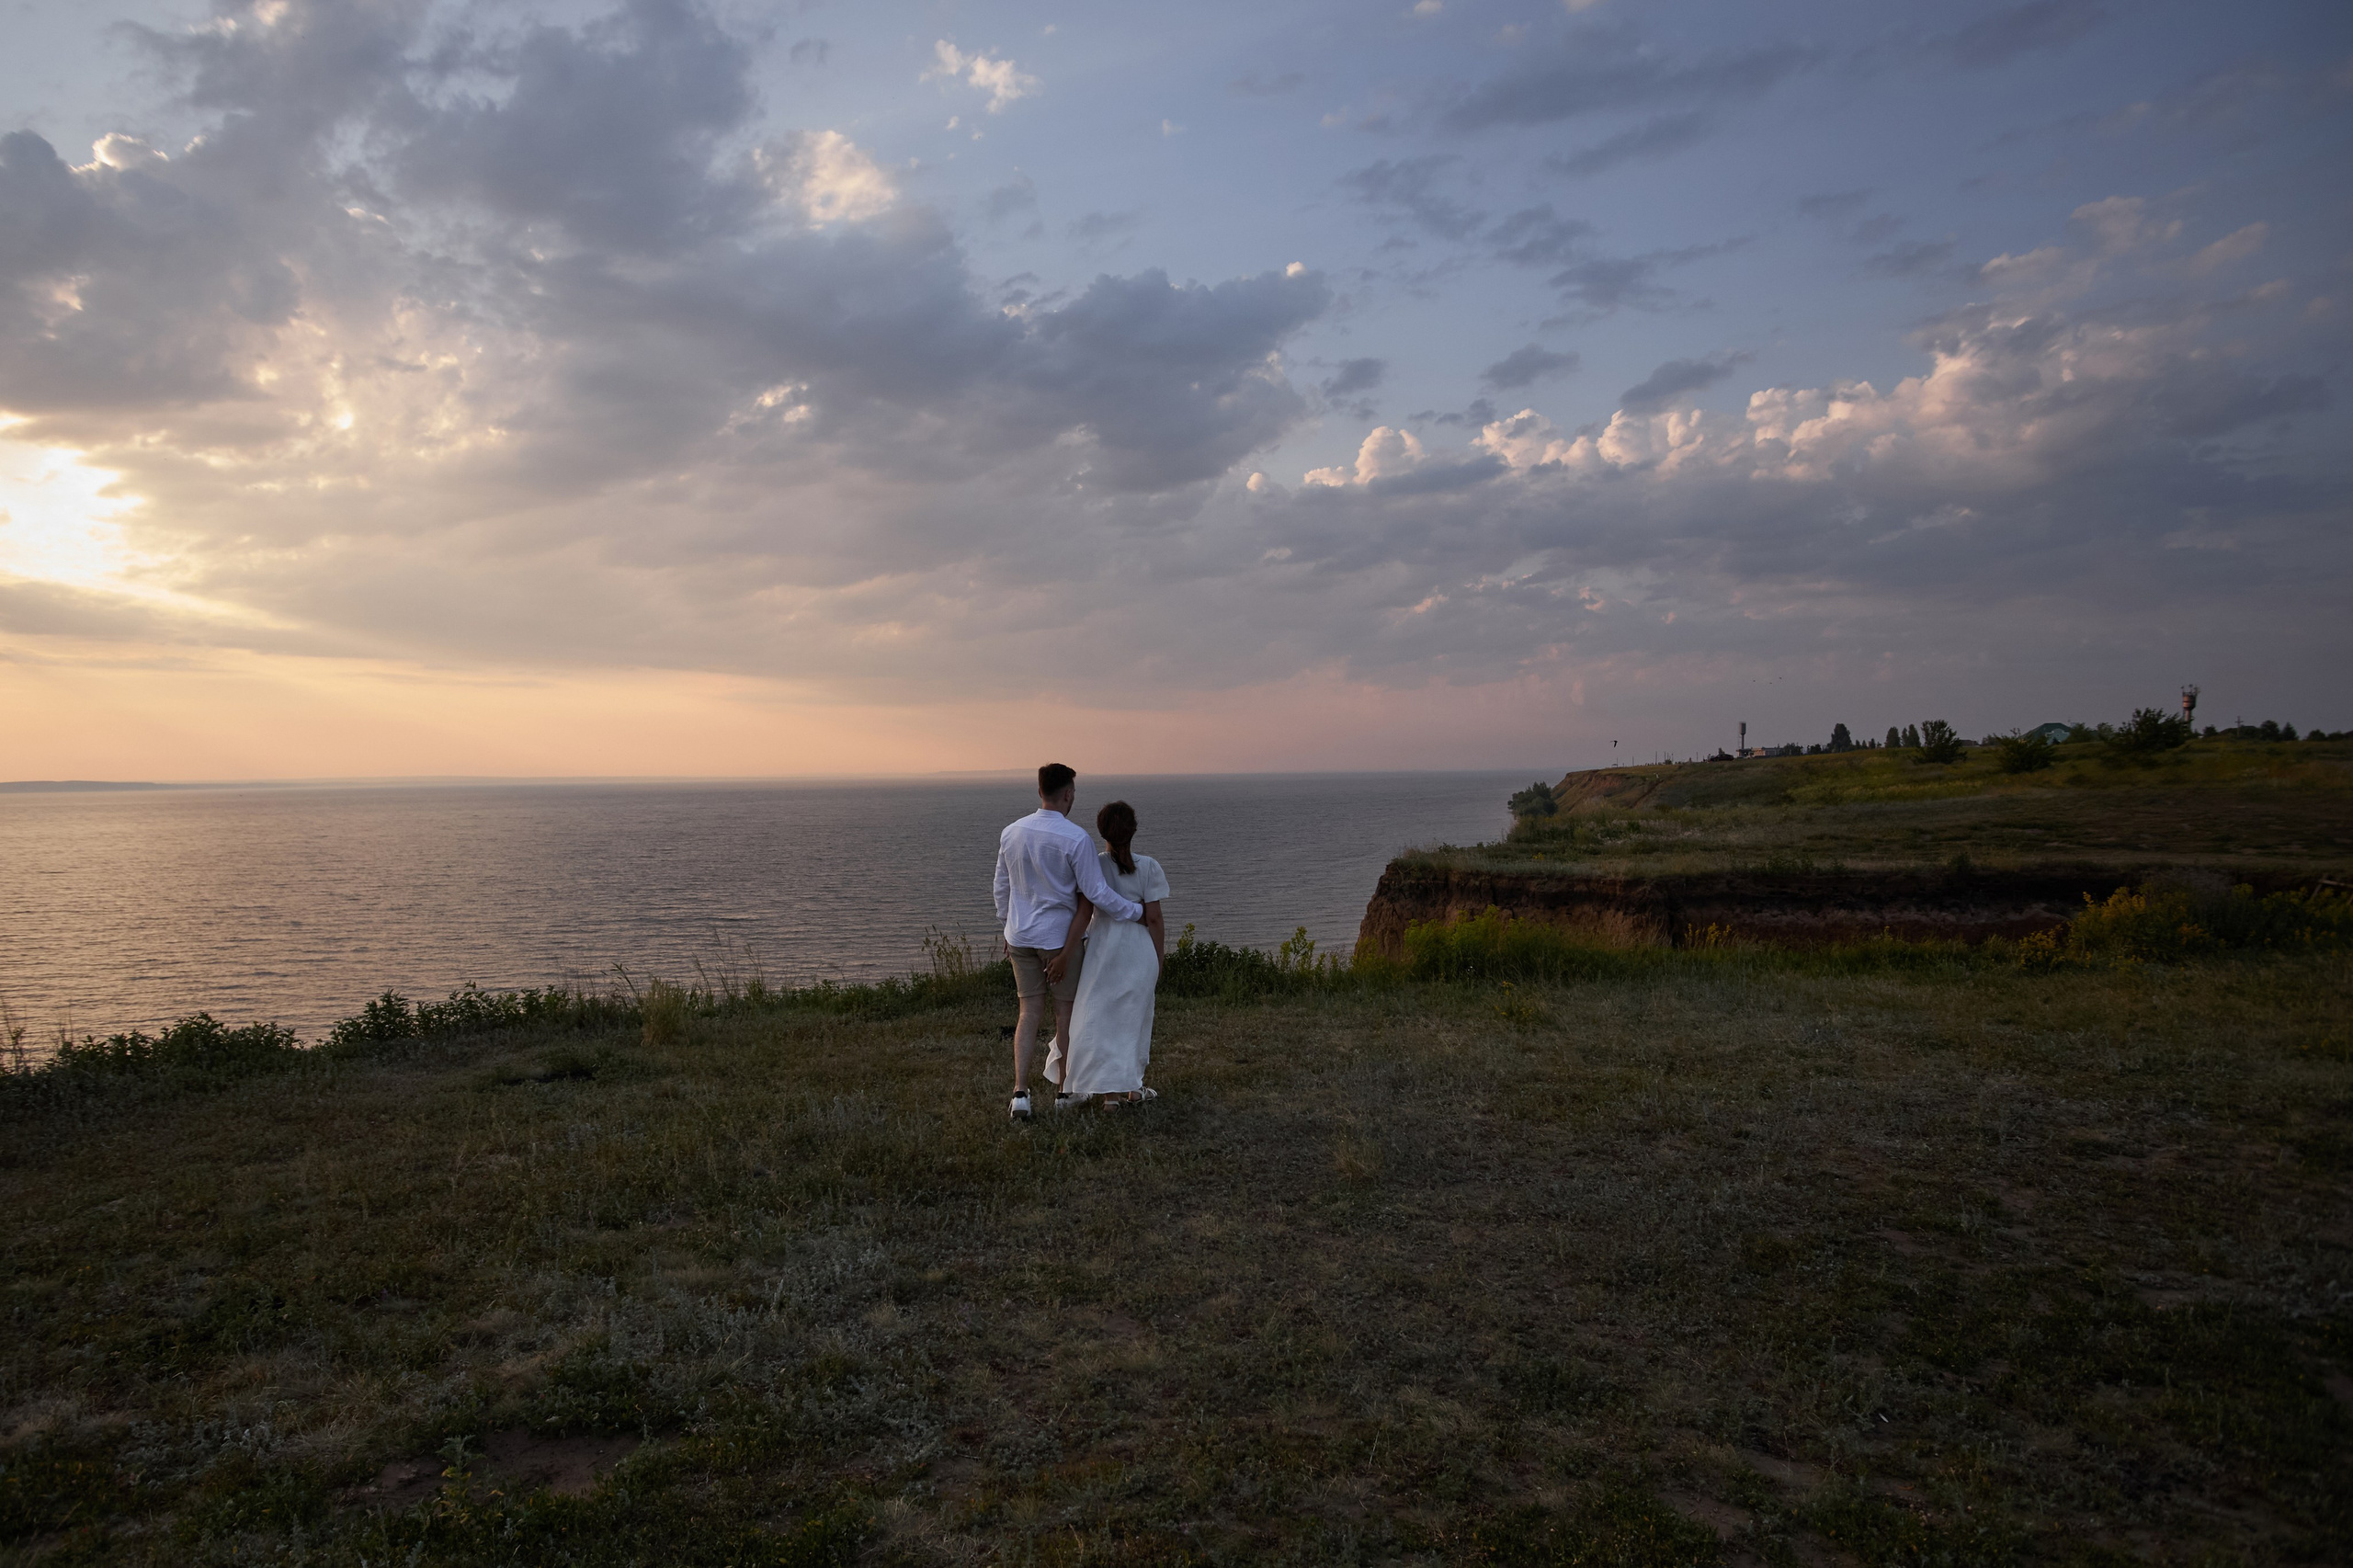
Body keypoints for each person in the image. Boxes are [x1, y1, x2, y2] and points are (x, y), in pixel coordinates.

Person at [993, 763, 1145, 1121]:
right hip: (1061, 942)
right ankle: (1062, 1093)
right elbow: (1096, 894)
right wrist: (1136, 913)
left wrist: (1006, 926)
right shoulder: (1075, 838)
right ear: (1068, 794)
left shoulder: (1011, 832)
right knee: (1064, 1015)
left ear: (1040, 791)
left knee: (1028, 1012)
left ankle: (1020, 1095)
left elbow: (1001, 889)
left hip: (1020, 937)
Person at [1046, 801, 1167, 1107]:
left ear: (1101, 831)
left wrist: (1065, 952)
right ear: (1134, 830)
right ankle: (1132, 1087)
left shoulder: (1095, 865)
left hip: (1102, 952)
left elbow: (1084, 912)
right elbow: (1154, 919)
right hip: (1139, 951)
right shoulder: (1149, 867)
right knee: (1133, 1020)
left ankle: (1109, 1094)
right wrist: (1159, 959)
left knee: (1098, 1019)